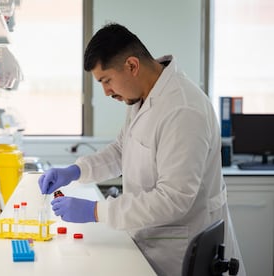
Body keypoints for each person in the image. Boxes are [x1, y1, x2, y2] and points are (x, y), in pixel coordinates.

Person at [38, 23, 245, 276]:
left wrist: (95, 211)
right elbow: (121, 150)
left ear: (132, 66)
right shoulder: (142, 96)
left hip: (181, 252)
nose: (106, 92)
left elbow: (174, 198)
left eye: (107, 80)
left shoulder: (183, 109)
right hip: (153, 240)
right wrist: (75, 171)